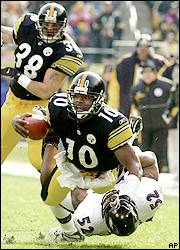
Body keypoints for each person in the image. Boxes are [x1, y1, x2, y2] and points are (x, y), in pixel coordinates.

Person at [12, 71, 143, 241]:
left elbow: (135, 166)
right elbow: (40, 119)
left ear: (98, 100)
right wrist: (17, 120)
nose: (79, 101)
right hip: (73, 165)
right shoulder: (59, 107)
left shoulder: (111, 122)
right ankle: (70, 232)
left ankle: (129, 138)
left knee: (102, 214)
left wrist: (126, 195)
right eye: (76, 96)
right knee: (49, 197)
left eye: (86, 97)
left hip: (105, 172)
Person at [1, 2, 84, 170]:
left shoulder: (66, 51)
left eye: (55, 25)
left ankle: (73, 188)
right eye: (46, 24)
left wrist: (17, 75)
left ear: (64, 26)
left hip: (39, 108)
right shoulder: (27, 25)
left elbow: (45, 91)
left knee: (40, 161)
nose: (49, 28)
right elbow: (13, 36)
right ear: (38, 22)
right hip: (13, 100)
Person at [48, 146, 163, 240]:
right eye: (116, 202)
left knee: (52, 195)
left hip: (94, 202)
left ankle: (70, 233)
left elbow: (77, 190)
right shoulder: (150, 199)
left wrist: (97, 168)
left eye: (110, 205)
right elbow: (151, 160)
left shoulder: (88, 219)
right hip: (126, 191)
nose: (112, 200)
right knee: (135, 151)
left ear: (105, 215)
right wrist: (120, 162)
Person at [130, 60, 172, 173]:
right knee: (144, 150)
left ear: (156, 73)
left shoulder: (167, 86)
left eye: (150, 72)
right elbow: (134, 105)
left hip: (161, 125)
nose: (147, 75)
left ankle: (159, 172)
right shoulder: (136, 89)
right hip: (144, 126)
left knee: (159, 150)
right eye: (145, 72)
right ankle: (145, 173)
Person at [115, 33, 168, 117]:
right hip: (129, 100)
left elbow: (166, 82)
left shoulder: (159, 62)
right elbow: (117, 83)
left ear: (150, 47)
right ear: (137, 47)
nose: (143, 49)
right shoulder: (125, 62)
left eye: (146, 46)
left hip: (152, 100)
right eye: (141, 46)